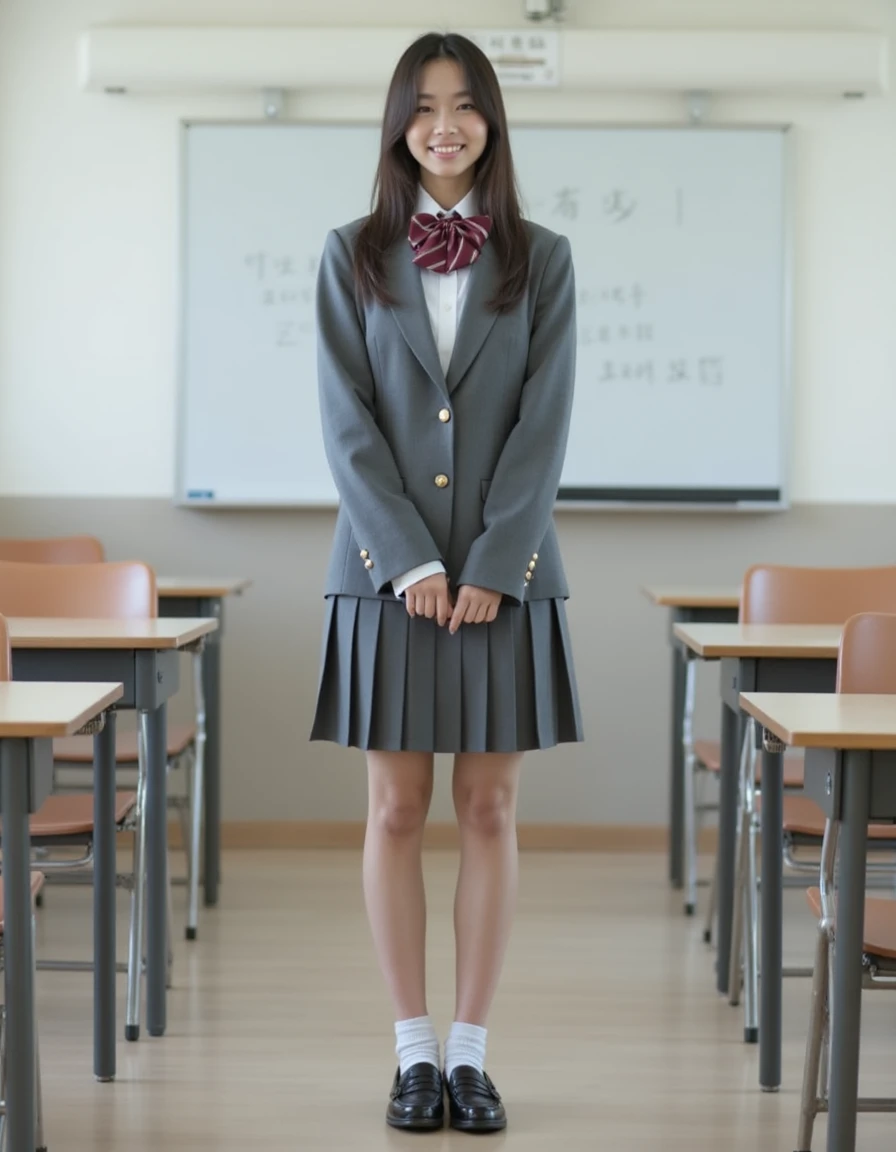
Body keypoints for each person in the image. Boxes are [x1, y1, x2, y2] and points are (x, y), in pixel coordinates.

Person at [310, 29, 583, 1133]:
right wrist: (411, 559)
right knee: (393, 807)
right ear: (396, 123)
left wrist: (489, 563)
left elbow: (542, 425)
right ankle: (410, 1053)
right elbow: (347, 425)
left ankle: (471, 1054)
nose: (444, 123)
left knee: (488, 805)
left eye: (464, 103)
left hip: (504, 577)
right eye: (422, 105)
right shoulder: (349, 253)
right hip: (385, 576)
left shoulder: (544, 256)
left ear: (490, 122)